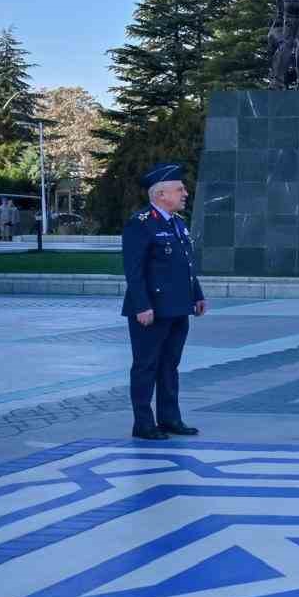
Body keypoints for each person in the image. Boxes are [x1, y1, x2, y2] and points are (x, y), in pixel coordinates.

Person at [121, 163, 206, 441]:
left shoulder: (177, 223)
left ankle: (169, 418)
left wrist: (197, 294)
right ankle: (143, 424)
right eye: (179, 189)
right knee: (146, 366)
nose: (185, 193)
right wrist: (142, 306)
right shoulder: (141, 223)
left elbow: (185, 265)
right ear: (160, 194)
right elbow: (134, 271)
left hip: (178, 307)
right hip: (151, 309)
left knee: (170, 365)